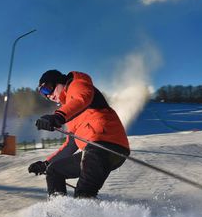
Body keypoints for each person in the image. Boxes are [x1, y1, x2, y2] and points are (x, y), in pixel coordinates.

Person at [28, 69, 130, 198]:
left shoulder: (77, 85)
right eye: (44, 94)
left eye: (47, 89)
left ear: (59, 81)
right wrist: (46, 164)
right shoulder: (69, 109)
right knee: (54, 171)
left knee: (83, 194)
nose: (48, 95)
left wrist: (58, 117)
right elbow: (71, 144)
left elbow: (82, 98)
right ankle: (59, 210)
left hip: (104, 145)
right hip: (94, 151)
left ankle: (83, 211)